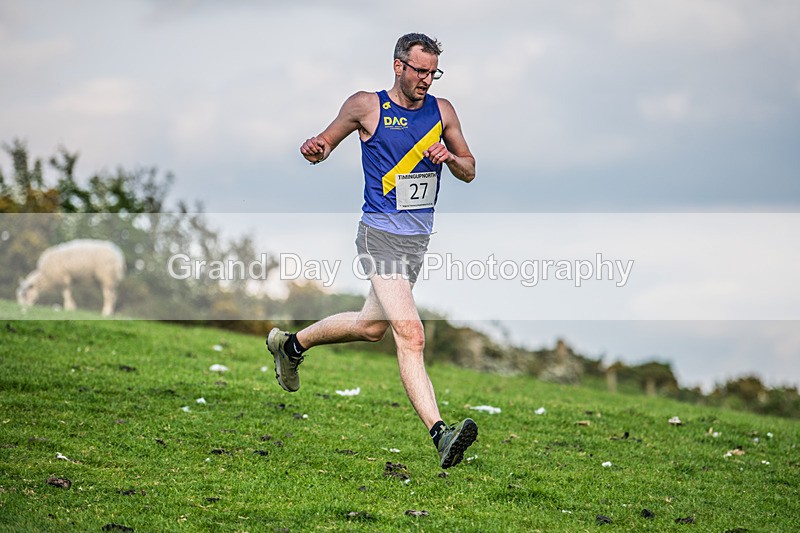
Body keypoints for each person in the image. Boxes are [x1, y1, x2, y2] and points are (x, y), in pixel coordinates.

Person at [267, 33, 477, 469]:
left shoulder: (443, 111)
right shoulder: (366, 106)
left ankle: (291, 346)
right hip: (378, 234)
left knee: (370, 328)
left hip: (416, 240)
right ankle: (441, 434)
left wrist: (451, 159)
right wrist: (316, 150)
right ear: (398, 65)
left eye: (433, 72)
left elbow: (470, 169)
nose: (427, 80)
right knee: (412, 335)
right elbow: (324, 144)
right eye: (420, 70)